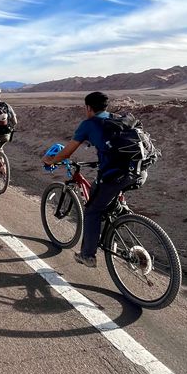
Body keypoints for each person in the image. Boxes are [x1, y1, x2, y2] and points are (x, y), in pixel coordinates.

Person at [42, 91, 145, 268]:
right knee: (108, 196)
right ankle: (122, 214)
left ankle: (87, 255)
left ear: (88, 107)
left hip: (115, 175)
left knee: (92, 210)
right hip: (139, 170)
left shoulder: (89, 124)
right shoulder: (117, 119)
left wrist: (51, 160)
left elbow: (68, 151)